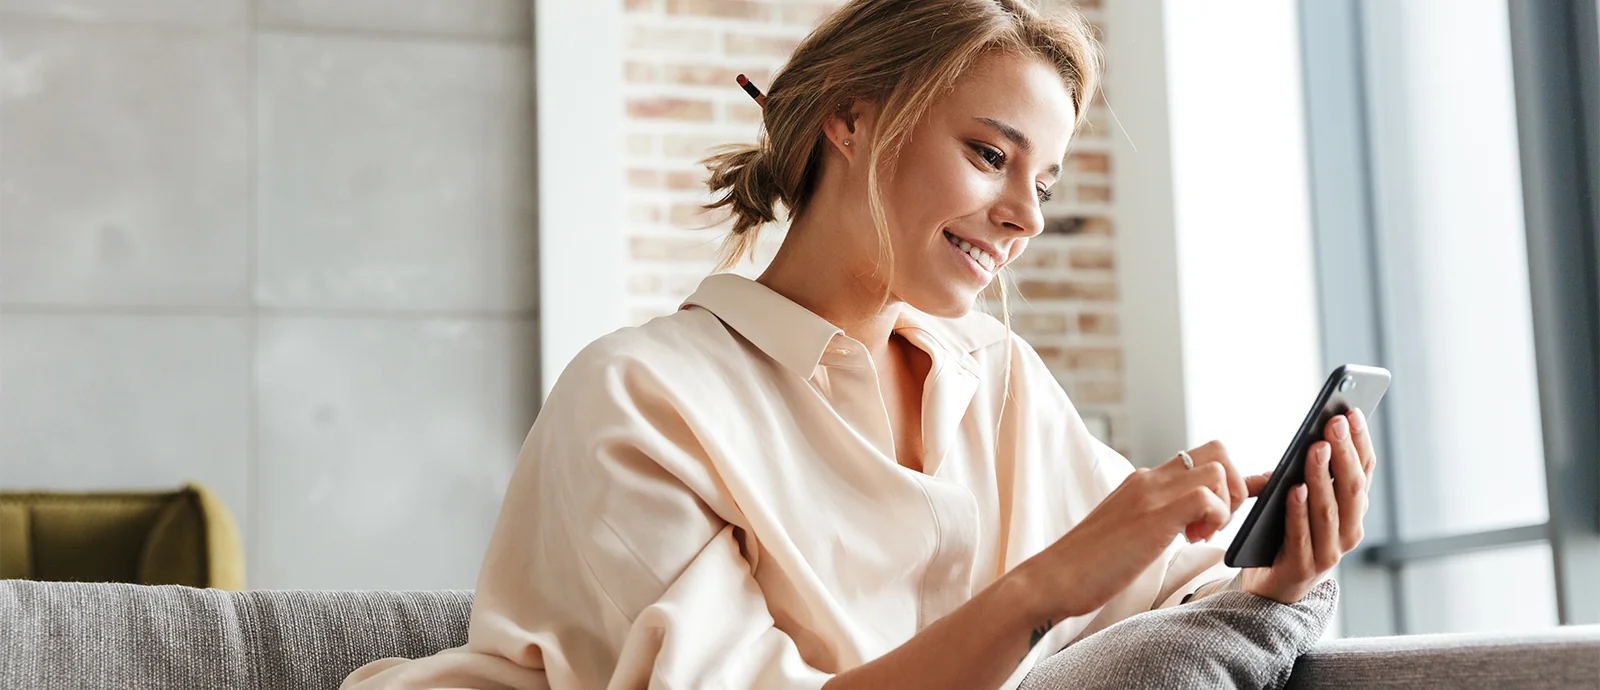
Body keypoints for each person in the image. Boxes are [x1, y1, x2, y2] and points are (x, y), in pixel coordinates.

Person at [342, 1, 1377, 688]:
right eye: (988, 155)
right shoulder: (641, 399)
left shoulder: (999, 381)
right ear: (850, 118)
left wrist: (1272, 575)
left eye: (1045, 184)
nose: (1024, 217)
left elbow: (1172, 599)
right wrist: (1045, 585)